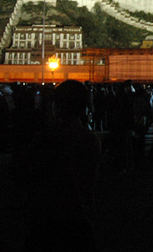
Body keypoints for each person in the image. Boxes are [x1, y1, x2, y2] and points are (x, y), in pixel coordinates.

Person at [17, 80, 101, 251]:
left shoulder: (45, 138)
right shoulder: (89, 139)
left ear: (56, 106)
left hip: (45, 216)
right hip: (77, 216)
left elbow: (25, 174)